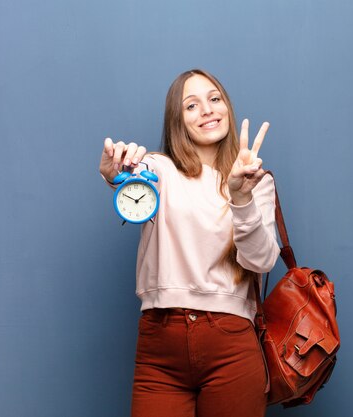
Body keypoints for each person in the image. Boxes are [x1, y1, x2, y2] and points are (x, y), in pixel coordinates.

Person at [99, 69, 280, 417]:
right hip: (160, 345)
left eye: (214, 99)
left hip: (232, 344)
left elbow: (261, 261)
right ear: (177, 121)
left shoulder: (257, 182)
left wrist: (241, 197)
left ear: (227, 105)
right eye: (192, 105)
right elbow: (130, 182)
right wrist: (112, 173)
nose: (208, 110)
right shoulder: (159, 169)